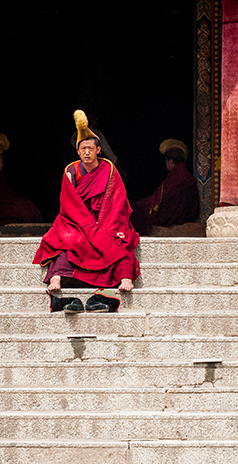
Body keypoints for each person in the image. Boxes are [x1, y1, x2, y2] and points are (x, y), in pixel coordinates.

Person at [33, 110, 140, 313]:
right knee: (64, 239)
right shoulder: (71, 172)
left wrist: (101, 227)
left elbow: (117, 202)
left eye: (91, 148)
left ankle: (125, 277)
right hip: (77, 221)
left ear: (99, 150)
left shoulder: (109, 170)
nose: (87, 153)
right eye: (83, 149)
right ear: (78, 151)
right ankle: (56, 277)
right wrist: (88, 227)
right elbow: (68, 204)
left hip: (105, 220)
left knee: (122, 239)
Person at [130, 139, 200, 235]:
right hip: (187, 215)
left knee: (136, 210)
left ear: (170, 161)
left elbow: (161, 199)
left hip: (171, 216)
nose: (165, 163)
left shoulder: (175, 176)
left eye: (166, 160)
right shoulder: (186, 175)